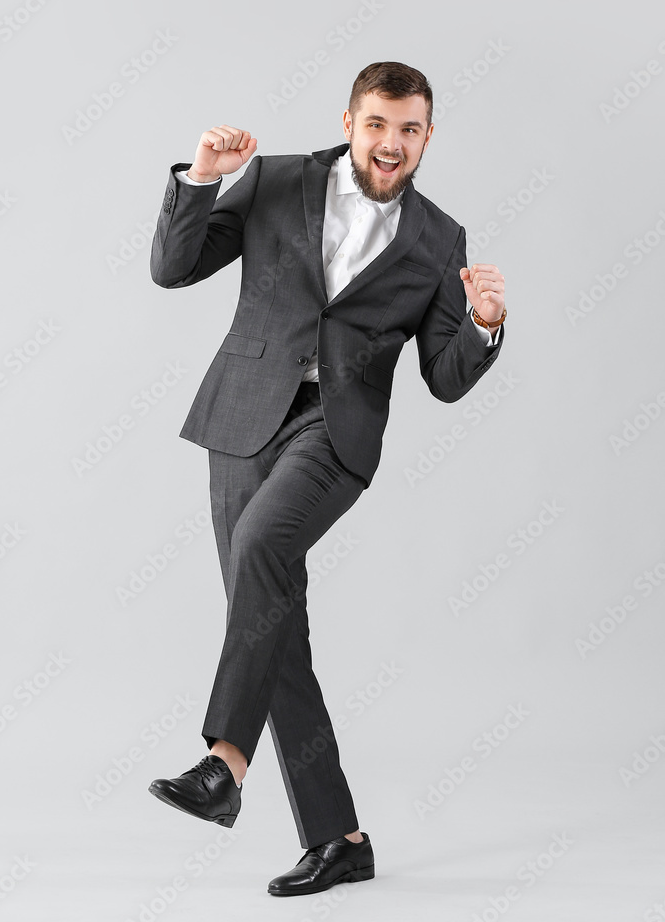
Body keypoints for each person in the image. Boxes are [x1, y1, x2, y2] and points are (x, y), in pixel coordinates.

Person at [146, 61, 506, 897]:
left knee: (264, 544)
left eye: (410, 128)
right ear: (350, 121)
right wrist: (201, 177)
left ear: (426, 136)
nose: (392, 143)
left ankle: (222, 763)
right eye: (378, 124)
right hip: (240, 417)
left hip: (333, 432)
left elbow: (443, 377)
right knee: (271, 626)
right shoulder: (272, 181)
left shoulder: (439, 239)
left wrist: (485, 327)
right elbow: (173, 268)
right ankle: (340, 840)